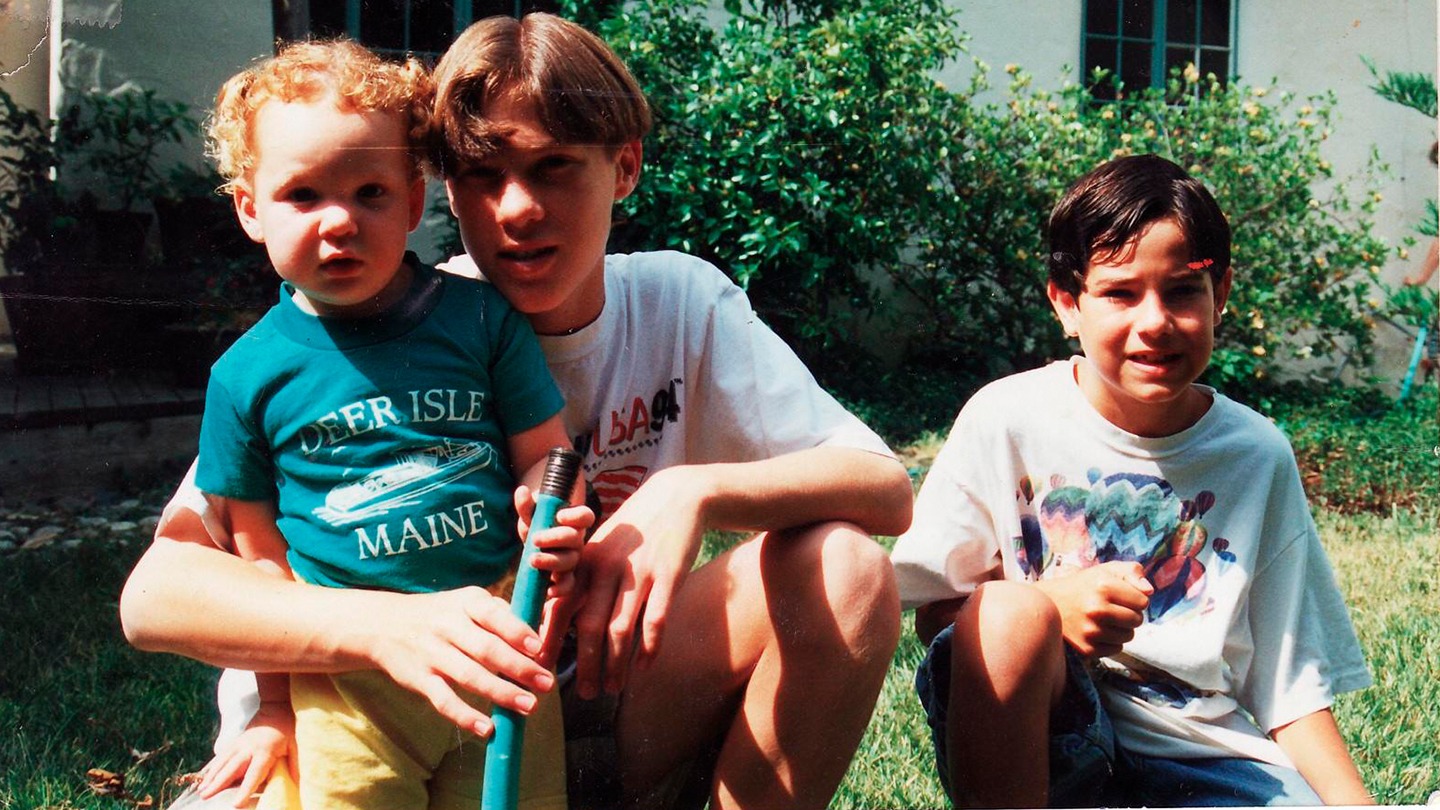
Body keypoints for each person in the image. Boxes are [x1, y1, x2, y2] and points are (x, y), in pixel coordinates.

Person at [121, 13, 912, 810]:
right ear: (444, 190)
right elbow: (154, 597)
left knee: (845, 567)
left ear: (626, 165)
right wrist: (387, 628)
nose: (519, 208)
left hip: (604, 701)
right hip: (371, 717)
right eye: (483, 174)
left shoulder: (679, 303)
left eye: (554, 166)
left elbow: (884, 487)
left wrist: (691, 491)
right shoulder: (373, 327)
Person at [172, 38, 588, 810]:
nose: (341, 222)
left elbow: (546, 455)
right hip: (346, 685)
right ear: (250, 209)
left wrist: (551, 509)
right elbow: (263, 568)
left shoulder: (480, 320)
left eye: (371, 193)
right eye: (303, 195)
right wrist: (272, 708)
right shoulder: (244, 377)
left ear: (414, 201)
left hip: (497, 644)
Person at [890, 154, 1373, 807]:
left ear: (1221, 295)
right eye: (1120, 293)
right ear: (1067, 303)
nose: (1155, 322)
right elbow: (938, 618)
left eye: (1183, 290)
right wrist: (1049, 610)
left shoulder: (1257, 454)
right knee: (1006, 610)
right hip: (1043, 739)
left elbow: (1288, 681)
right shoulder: (1005, 418)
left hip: (1199, 759)